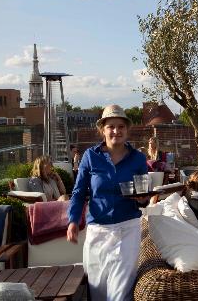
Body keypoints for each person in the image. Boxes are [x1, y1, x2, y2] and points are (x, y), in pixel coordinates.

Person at [67, 104, 150, 301]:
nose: (116, 131)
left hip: (127, 229)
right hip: (98, 231)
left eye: (121, 126)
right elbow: (78, 192)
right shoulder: (90, 157)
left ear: (127, 130)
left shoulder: (138, 159)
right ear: (102, 130)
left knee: (120, 294)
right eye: (111, 126)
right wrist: (72, 220)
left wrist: (143, 199)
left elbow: (144, 194)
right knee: (98, 293)